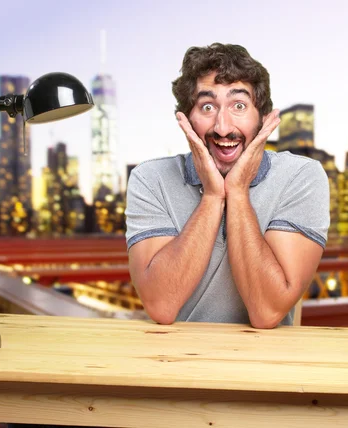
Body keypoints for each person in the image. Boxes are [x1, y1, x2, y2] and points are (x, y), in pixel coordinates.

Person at [124, 43, 330, 328]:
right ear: (184, 119)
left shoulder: (302, 177)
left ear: (263, 119)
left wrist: (238, 192)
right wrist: (212, 197)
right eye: (207, 107)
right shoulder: (150, 178)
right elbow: (161, 305)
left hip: (265, 367)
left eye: (239, 106)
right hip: (173, 364)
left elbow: (267, 311)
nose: (223, 127)